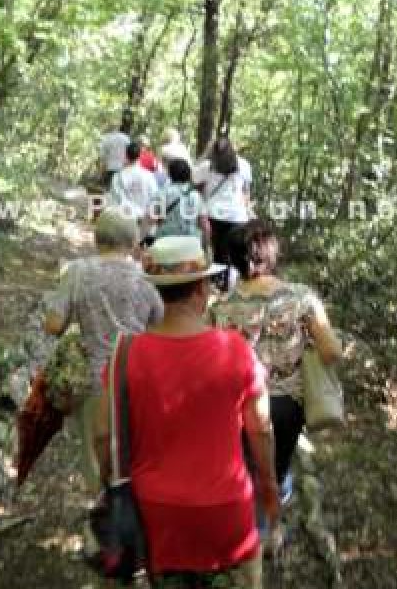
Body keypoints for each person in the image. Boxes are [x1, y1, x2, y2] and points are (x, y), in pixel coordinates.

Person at [95, 236, 279, 587]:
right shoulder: (236, 349)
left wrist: (108, 483)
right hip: (227, 515)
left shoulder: (125, 355)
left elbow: (104, 434)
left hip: (153, 515)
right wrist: (268, 484)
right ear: (201, 289)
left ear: (158, 292)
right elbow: (261, 429)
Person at [209, 220, 343, 572]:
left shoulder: (220, 306)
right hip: (285, 404)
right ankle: (266, 531)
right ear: (272, 254)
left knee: (243, 466)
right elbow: (331, 351)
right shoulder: (302, 298)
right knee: (277, 466)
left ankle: (241, 533)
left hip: (236, 404)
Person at [43, 208, 164, 552]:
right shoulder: (144, 279)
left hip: (94, 380)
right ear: (133, 242)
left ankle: (103, 534)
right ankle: (137, 529)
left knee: (95, 455)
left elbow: (53, 325)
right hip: (138, 378)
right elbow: (158, 322)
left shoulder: (77, 272)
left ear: (97, 239)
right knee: (136, 452)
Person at [197, 136, 254, 286]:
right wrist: (248, 213)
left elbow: (194, 182)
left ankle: (218, 287)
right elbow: (246, 193)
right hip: (238, 217)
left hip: (214, 216)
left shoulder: (208, 166)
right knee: (236, 256)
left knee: (218, 256)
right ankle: (235, 287)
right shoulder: (244, 165)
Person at [108, 141, 159, 243]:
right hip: (144, 222)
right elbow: (155, 198)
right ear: (139, 156)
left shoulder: (117, 176)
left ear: (126, 155)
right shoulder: (149, 176)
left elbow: (114, 201)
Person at [153, 158, 210, 244]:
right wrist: (205, 243)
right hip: (190, 243)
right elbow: (204, 224)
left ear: (170, 174)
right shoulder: (196, 195)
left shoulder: (161, 193)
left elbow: (152, 218)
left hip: (165, 242)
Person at [99, 121, 131, 190]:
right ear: (118, 128)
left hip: (110, 169)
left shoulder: (105, 139)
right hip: (123, 169)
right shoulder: (126, 138)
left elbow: (103, 159)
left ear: (109, 128)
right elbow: (130, 155)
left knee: (110, 192)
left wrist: (101, 174)